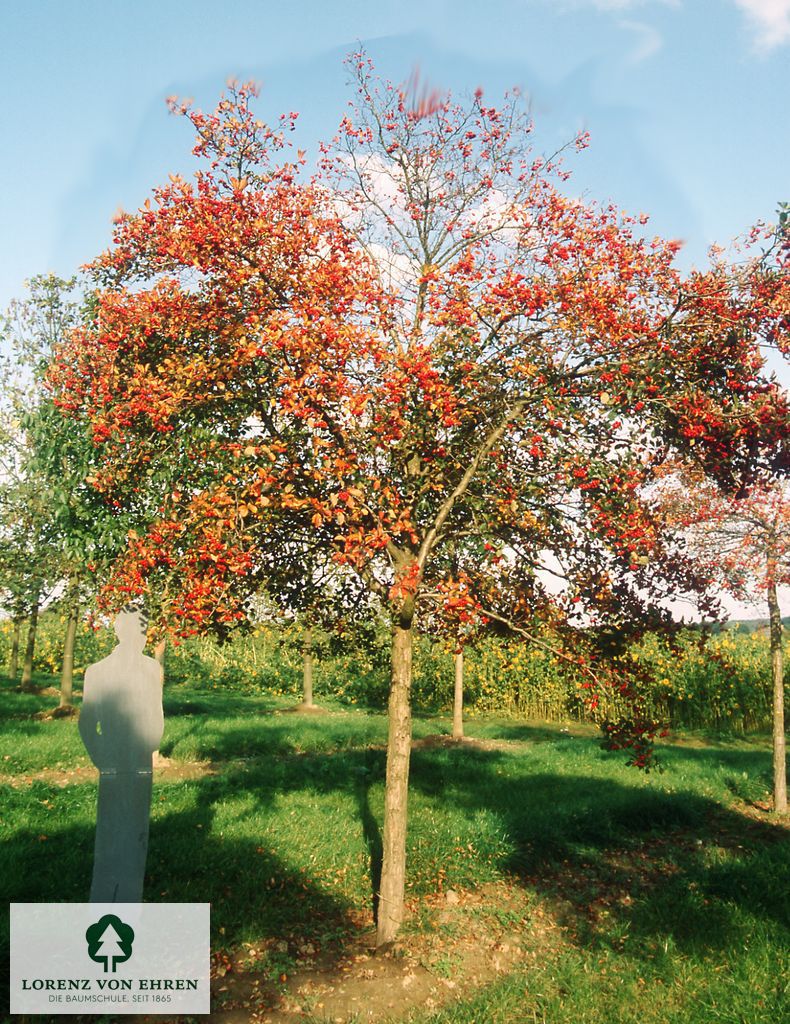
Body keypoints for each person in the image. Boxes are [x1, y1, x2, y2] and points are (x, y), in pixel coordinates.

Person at [79, 605, 164, 902]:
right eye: (134, 629)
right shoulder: (103, 671)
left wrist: (112, 756)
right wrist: (108, 759)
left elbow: (156, 718)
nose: (138, 636)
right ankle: (112, 900)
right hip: (122, 763)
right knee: (119, 831)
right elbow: (88, 723)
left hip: (130, 764)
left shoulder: (148, 669)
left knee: (126, 831)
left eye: (141, 630)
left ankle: (120, 897)